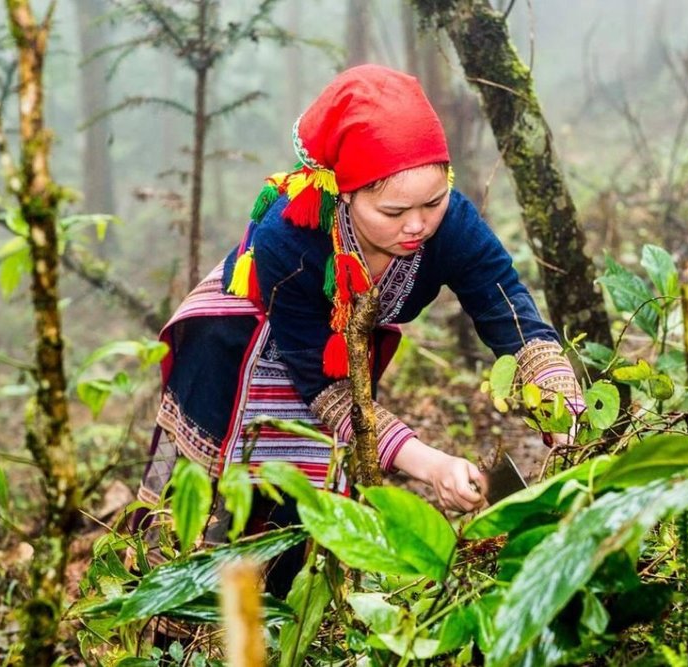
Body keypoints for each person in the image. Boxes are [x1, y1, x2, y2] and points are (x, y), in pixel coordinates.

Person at [132, 64, 585, 601]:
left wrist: (557, 394)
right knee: (217, 510)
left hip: (333, 355)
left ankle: (297, 617)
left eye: (433, 202)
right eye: (393, 211)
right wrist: (429, 464)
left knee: (310, 511)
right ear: (345, 194)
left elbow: (502, 299)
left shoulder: (452, 225)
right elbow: (328, 389)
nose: (417, 225)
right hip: (237, 353)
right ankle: (185, 627)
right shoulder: (289, 237)